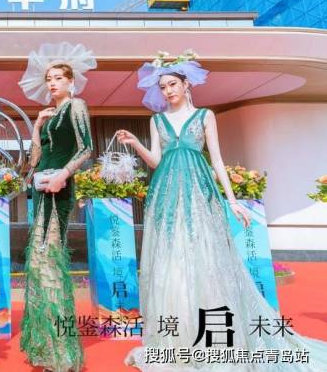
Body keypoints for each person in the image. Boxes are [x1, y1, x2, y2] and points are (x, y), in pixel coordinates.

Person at [119, 50, 327, 371]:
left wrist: (232, 201)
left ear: (186, 84)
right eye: (163, 87)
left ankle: (214, 336)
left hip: (199, 192)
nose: (168, 91)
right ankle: (178, 337)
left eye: (173, 84)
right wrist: (136, 144)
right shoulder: (156, 120)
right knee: (172, 259)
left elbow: (216, 160)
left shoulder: (205, 116)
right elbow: (157, 161)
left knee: (205, 255)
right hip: (166, 194)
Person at [17, 42, 96, 372]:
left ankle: (61, 347)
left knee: (50, 256)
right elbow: (35, 160)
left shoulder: (77, 106)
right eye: (48, 79)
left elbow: (87, 148)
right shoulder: (49, 115)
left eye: (58, 78)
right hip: (41, 187)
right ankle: (44, 343)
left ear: (70, 81)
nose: (52, 83)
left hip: (59, 187)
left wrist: (63, 175)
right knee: (39, 260)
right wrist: (37, 127)